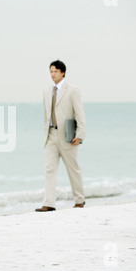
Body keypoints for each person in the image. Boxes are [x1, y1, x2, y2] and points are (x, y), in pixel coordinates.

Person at [36, 60, 86, 212]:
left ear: (62, 72)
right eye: (51, 71)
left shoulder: (72, 90)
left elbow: (80, 114)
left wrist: (80, 135)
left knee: (73, 168)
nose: (53, 74)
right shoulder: (46, 91)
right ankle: (49, 203)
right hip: (51, 135)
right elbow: (47, 115)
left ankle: (79, 200)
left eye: (55, 71)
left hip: (67, 136)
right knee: (49, 169)